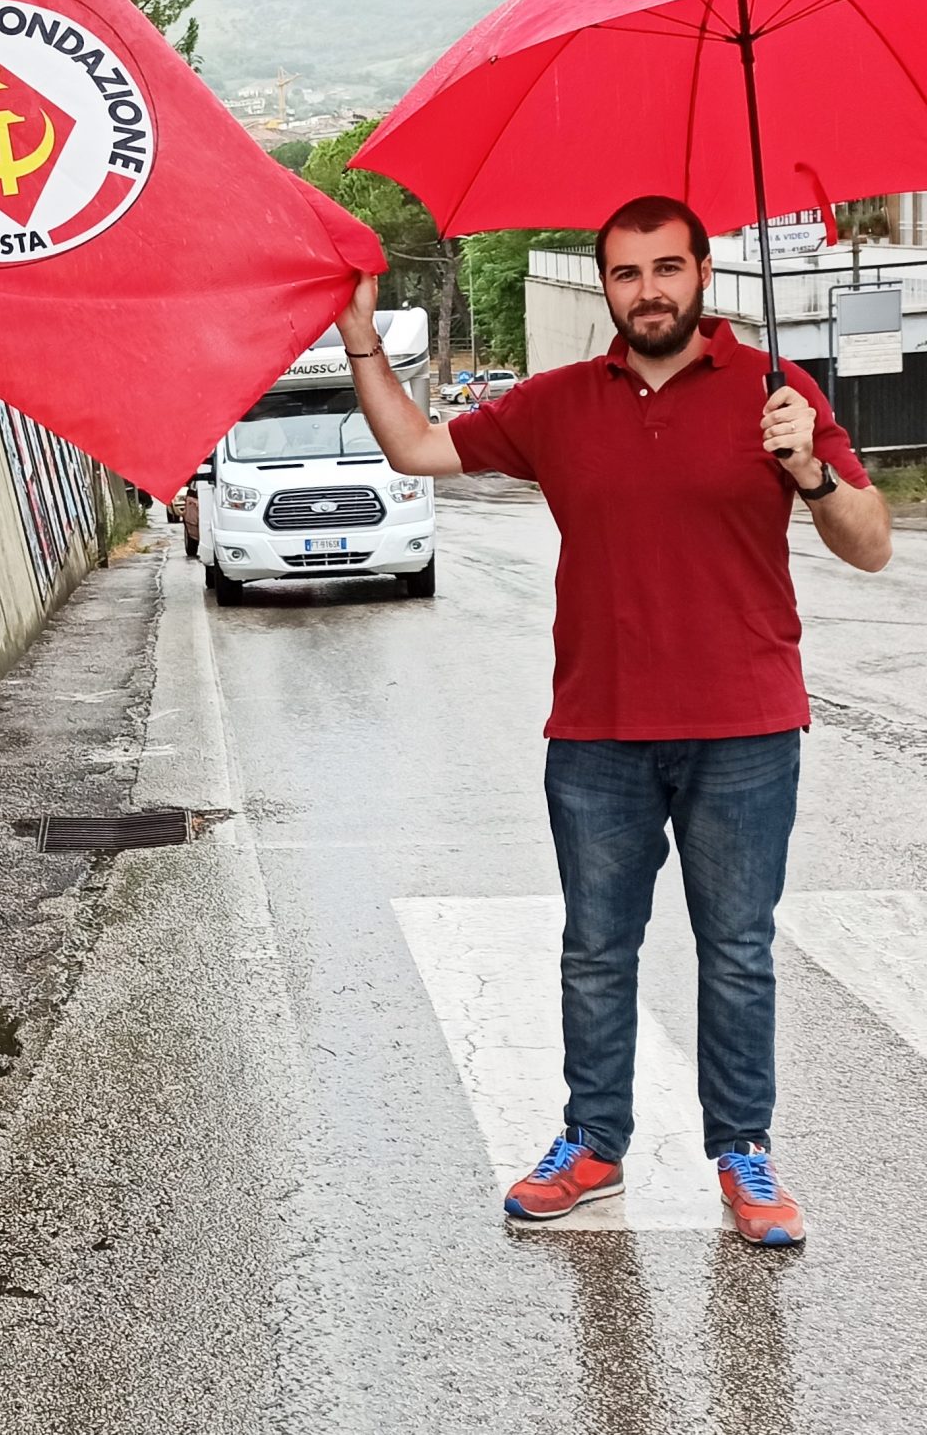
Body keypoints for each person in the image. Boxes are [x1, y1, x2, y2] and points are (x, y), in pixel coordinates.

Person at [338, 195, 891, 1247]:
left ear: (704, 275)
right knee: (595, 950)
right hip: (596, 732)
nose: (649, 290)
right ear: (605, 286)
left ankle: (743, 1154)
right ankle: (591, 1144)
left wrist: (807, 466)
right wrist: (361, 336)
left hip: (745, 728)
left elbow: (869, 545)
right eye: (628, 273)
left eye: (667, 268)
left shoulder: (774, 392)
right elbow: (414, 448)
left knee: (734, 950)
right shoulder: (554, 405)